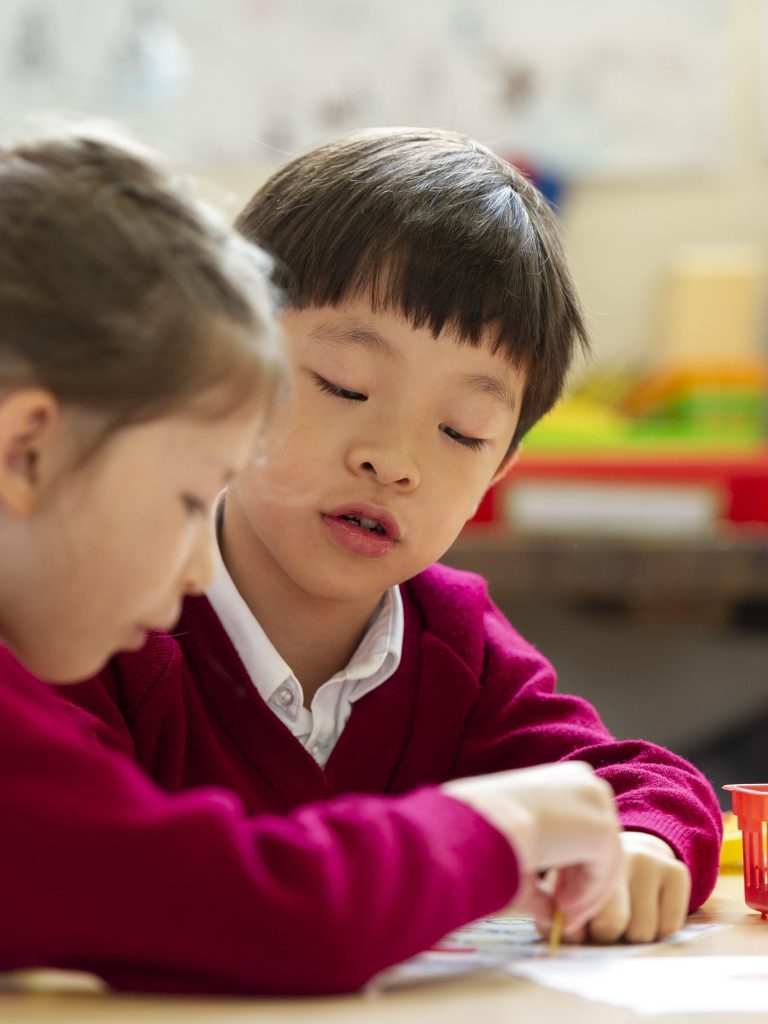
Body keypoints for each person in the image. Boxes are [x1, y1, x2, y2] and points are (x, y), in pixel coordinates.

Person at [62, 127, 722, 954]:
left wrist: (643, 841)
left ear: (501, 467)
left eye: (461, 429)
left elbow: (642, 781)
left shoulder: (456, 644)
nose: (392, 459)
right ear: (226, 363)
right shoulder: (99, 619)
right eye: (345, 385)